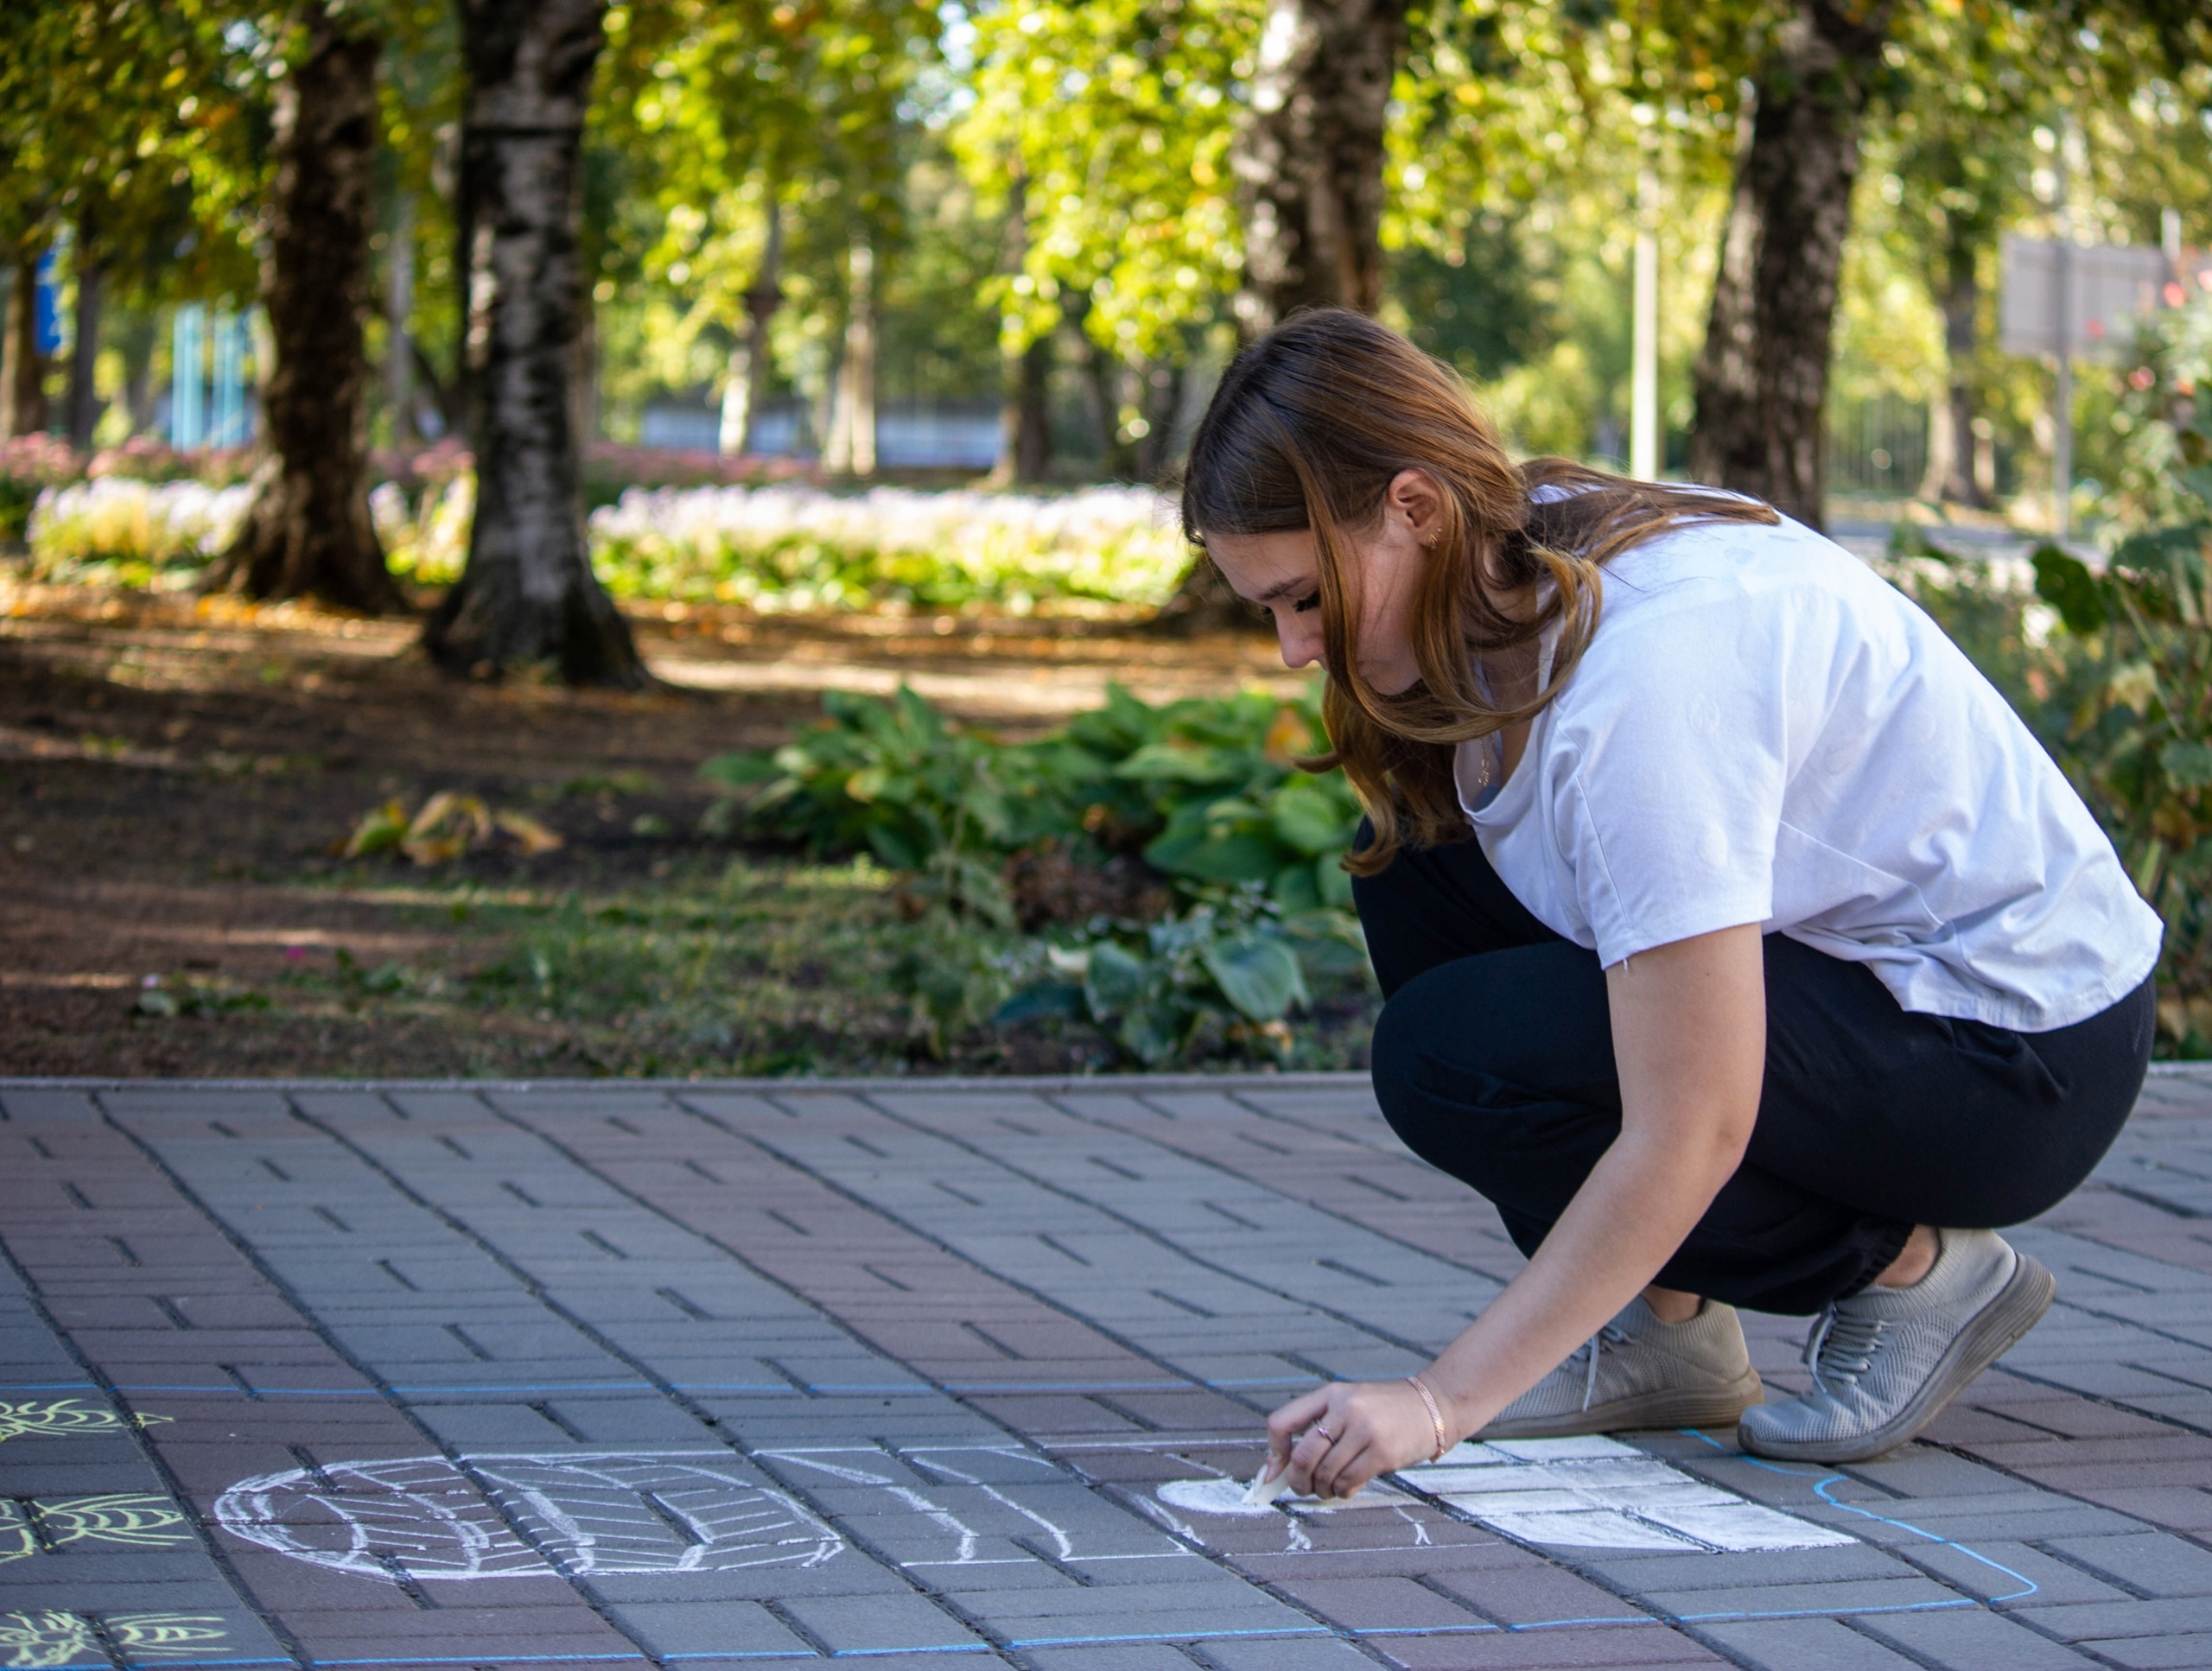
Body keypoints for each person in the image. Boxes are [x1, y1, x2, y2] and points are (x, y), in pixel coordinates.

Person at [1183, 310, 2159, 1497]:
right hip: (1871, 983)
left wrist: (1440, 1403)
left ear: (1416, 506)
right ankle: (1664, 1326)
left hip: (2014, 1050)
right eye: (1269, 611)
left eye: (1302, 599)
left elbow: (1692, 1120)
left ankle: (1911, 1269)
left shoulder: (1646, 679)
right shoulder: (1506, 559)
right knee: (1414, 855)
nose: (1292, 650)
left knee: (1448, 1056)